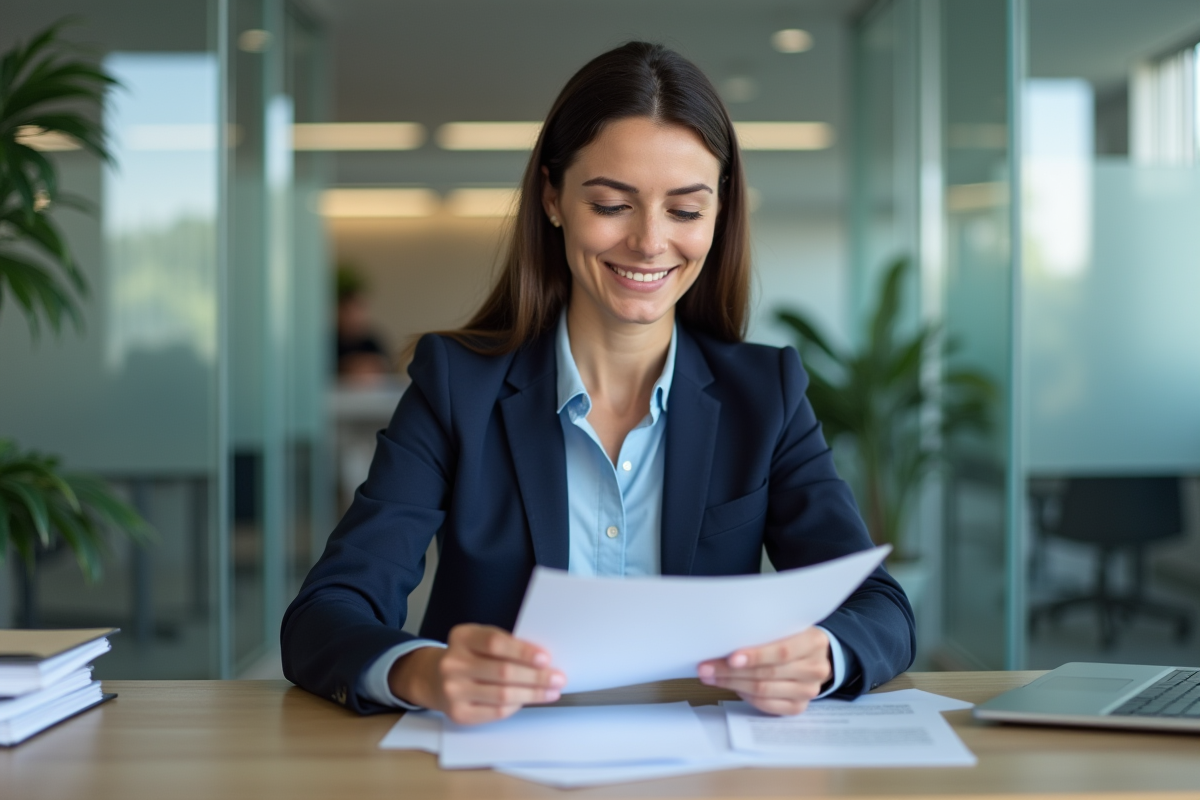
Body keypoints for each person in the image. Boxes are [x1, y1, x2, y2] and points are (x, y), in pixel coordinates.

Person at [282, 41, 914, 725]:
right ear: (552, 197)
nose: (649, 242)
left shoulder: (766, 394)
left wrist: (822, 655)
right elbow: (325, 614)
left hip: (707, 768)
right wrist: (423, 670)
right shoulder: (456, 386)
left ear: (719, 214)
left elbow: (879, 607)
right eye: (613, 204)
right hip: (499, 766)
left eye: (684, 209)